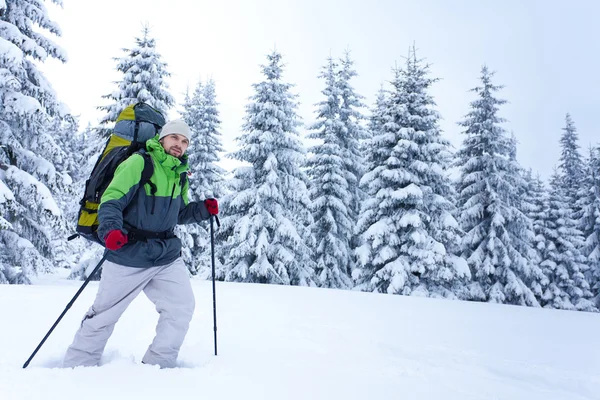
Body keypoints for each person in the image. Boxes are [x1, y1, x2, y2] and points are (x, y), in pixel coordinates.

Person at [63, 119, 218, 368]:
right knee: (104, 315)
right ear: (162, 138)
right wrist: (111, 230)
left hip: (165, 256)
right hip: (128, 254)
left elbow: (178, 214)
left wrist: (201, 210)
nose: (179, 144)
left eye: (184, 141)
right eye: (175, 138)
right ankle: (77, 365)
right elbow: (112, 199)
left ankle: (159, 364)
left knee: (181, 308)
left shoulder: (179, 174)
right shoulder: (140, 163)